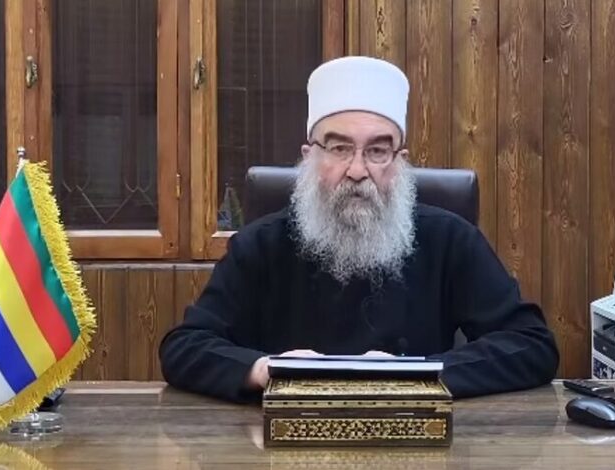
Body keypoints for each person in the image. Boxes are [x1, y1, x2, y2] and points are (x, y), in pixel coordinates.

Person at [159, 56, 559, 403]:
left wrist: (415, 374)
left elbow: (531, 345)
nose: (357, 170)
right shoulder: (260, 245)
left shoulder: (449, 240)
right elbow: (184, 346)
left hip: (414, 435)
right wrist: (265, 369)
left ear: (399, 162)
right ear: (310, 157)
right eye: (339, 148)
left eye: (377, 151)